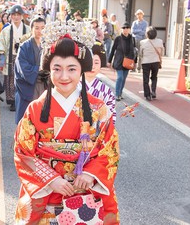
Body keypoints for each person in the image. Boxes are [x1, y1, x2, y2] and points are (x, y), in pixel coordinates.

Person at [14, 25, 119, 224]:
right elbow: (22, 151)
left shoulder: (98, 108)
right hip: (47, 191)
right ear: (49, 70)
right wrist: (51, 179)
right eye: (57, 69)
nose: (64, 76)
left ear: (81, 71)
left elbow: (109, 149)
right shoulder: (35, 109)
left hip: (86, 191)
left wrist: (91, 173)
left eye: (71, 69)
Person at [0, 5, 31, 111]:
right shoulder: (6, 30)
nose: (16, 17)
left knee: (23, 79)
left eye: (18, 15)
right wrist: (2, 61)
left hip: (24, 58)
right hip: (10, 58)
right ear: (10, 16)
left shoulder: (29, 29)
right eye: (14, 15)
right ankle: (12, 100)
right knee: (11, 79)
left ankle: (23, 99)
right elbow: (1, 44)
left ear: (22, 16)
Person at [14, 16, 46, 124]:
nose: (40, 31)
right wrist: (40, 69)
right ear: (31, 29)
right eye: (37, 28)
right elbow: (22, 67)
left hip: (44, 86)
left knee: (42, 118)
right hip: (28, 86)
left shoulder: (48, 46)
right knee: (26, 120)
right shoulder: (25, 46)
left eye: (42, 28)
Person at [85, 42, 116, 124]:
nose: (92, 66)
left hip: (97, 133)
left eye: (96, 63)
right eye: (89, 62)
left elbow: (111, 114)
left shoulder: (106, 90)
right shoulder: (73, 86)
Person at [108, 22, 136, 101]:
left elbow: (135, 51)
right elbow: (113, 50)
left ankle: (120, 93)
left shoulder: (132, 39)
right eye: (124, 28)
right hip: (119, 61)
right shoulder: (118, 38)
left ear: (129, 29)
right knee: (120, 77)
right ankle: (117, 94)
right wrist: (109, 61)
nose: (125, 30)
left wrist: (135, 62)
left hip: (128, 61)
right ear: (122, 29)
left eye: (127, 28)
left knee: (124, 78)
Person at [139, 26, 164, 101]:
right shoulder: (160, 41)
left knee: (145, 79)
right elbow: (162, 52)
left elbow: (140, 54)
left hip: (146, 62)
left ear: (147, 34)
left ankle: (147, 95)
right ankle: (153, 91)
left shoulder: (143, 42)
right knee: (154, 77)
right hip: (156, 61)